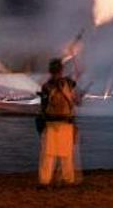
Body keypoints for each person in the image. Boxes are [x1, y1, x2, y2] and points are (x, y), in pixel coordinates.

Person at [37, 58, 79, 186]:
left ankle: (45, 180)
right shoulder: (69, 83)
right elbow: (74, 98)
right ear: (61, 70)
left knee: (48, 155)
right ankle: (68, 179)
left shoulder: (46, 86)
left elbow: (43, 107)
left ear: (50, 70)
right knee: (66, 155)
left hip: (51, 124)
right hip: (66, 123)